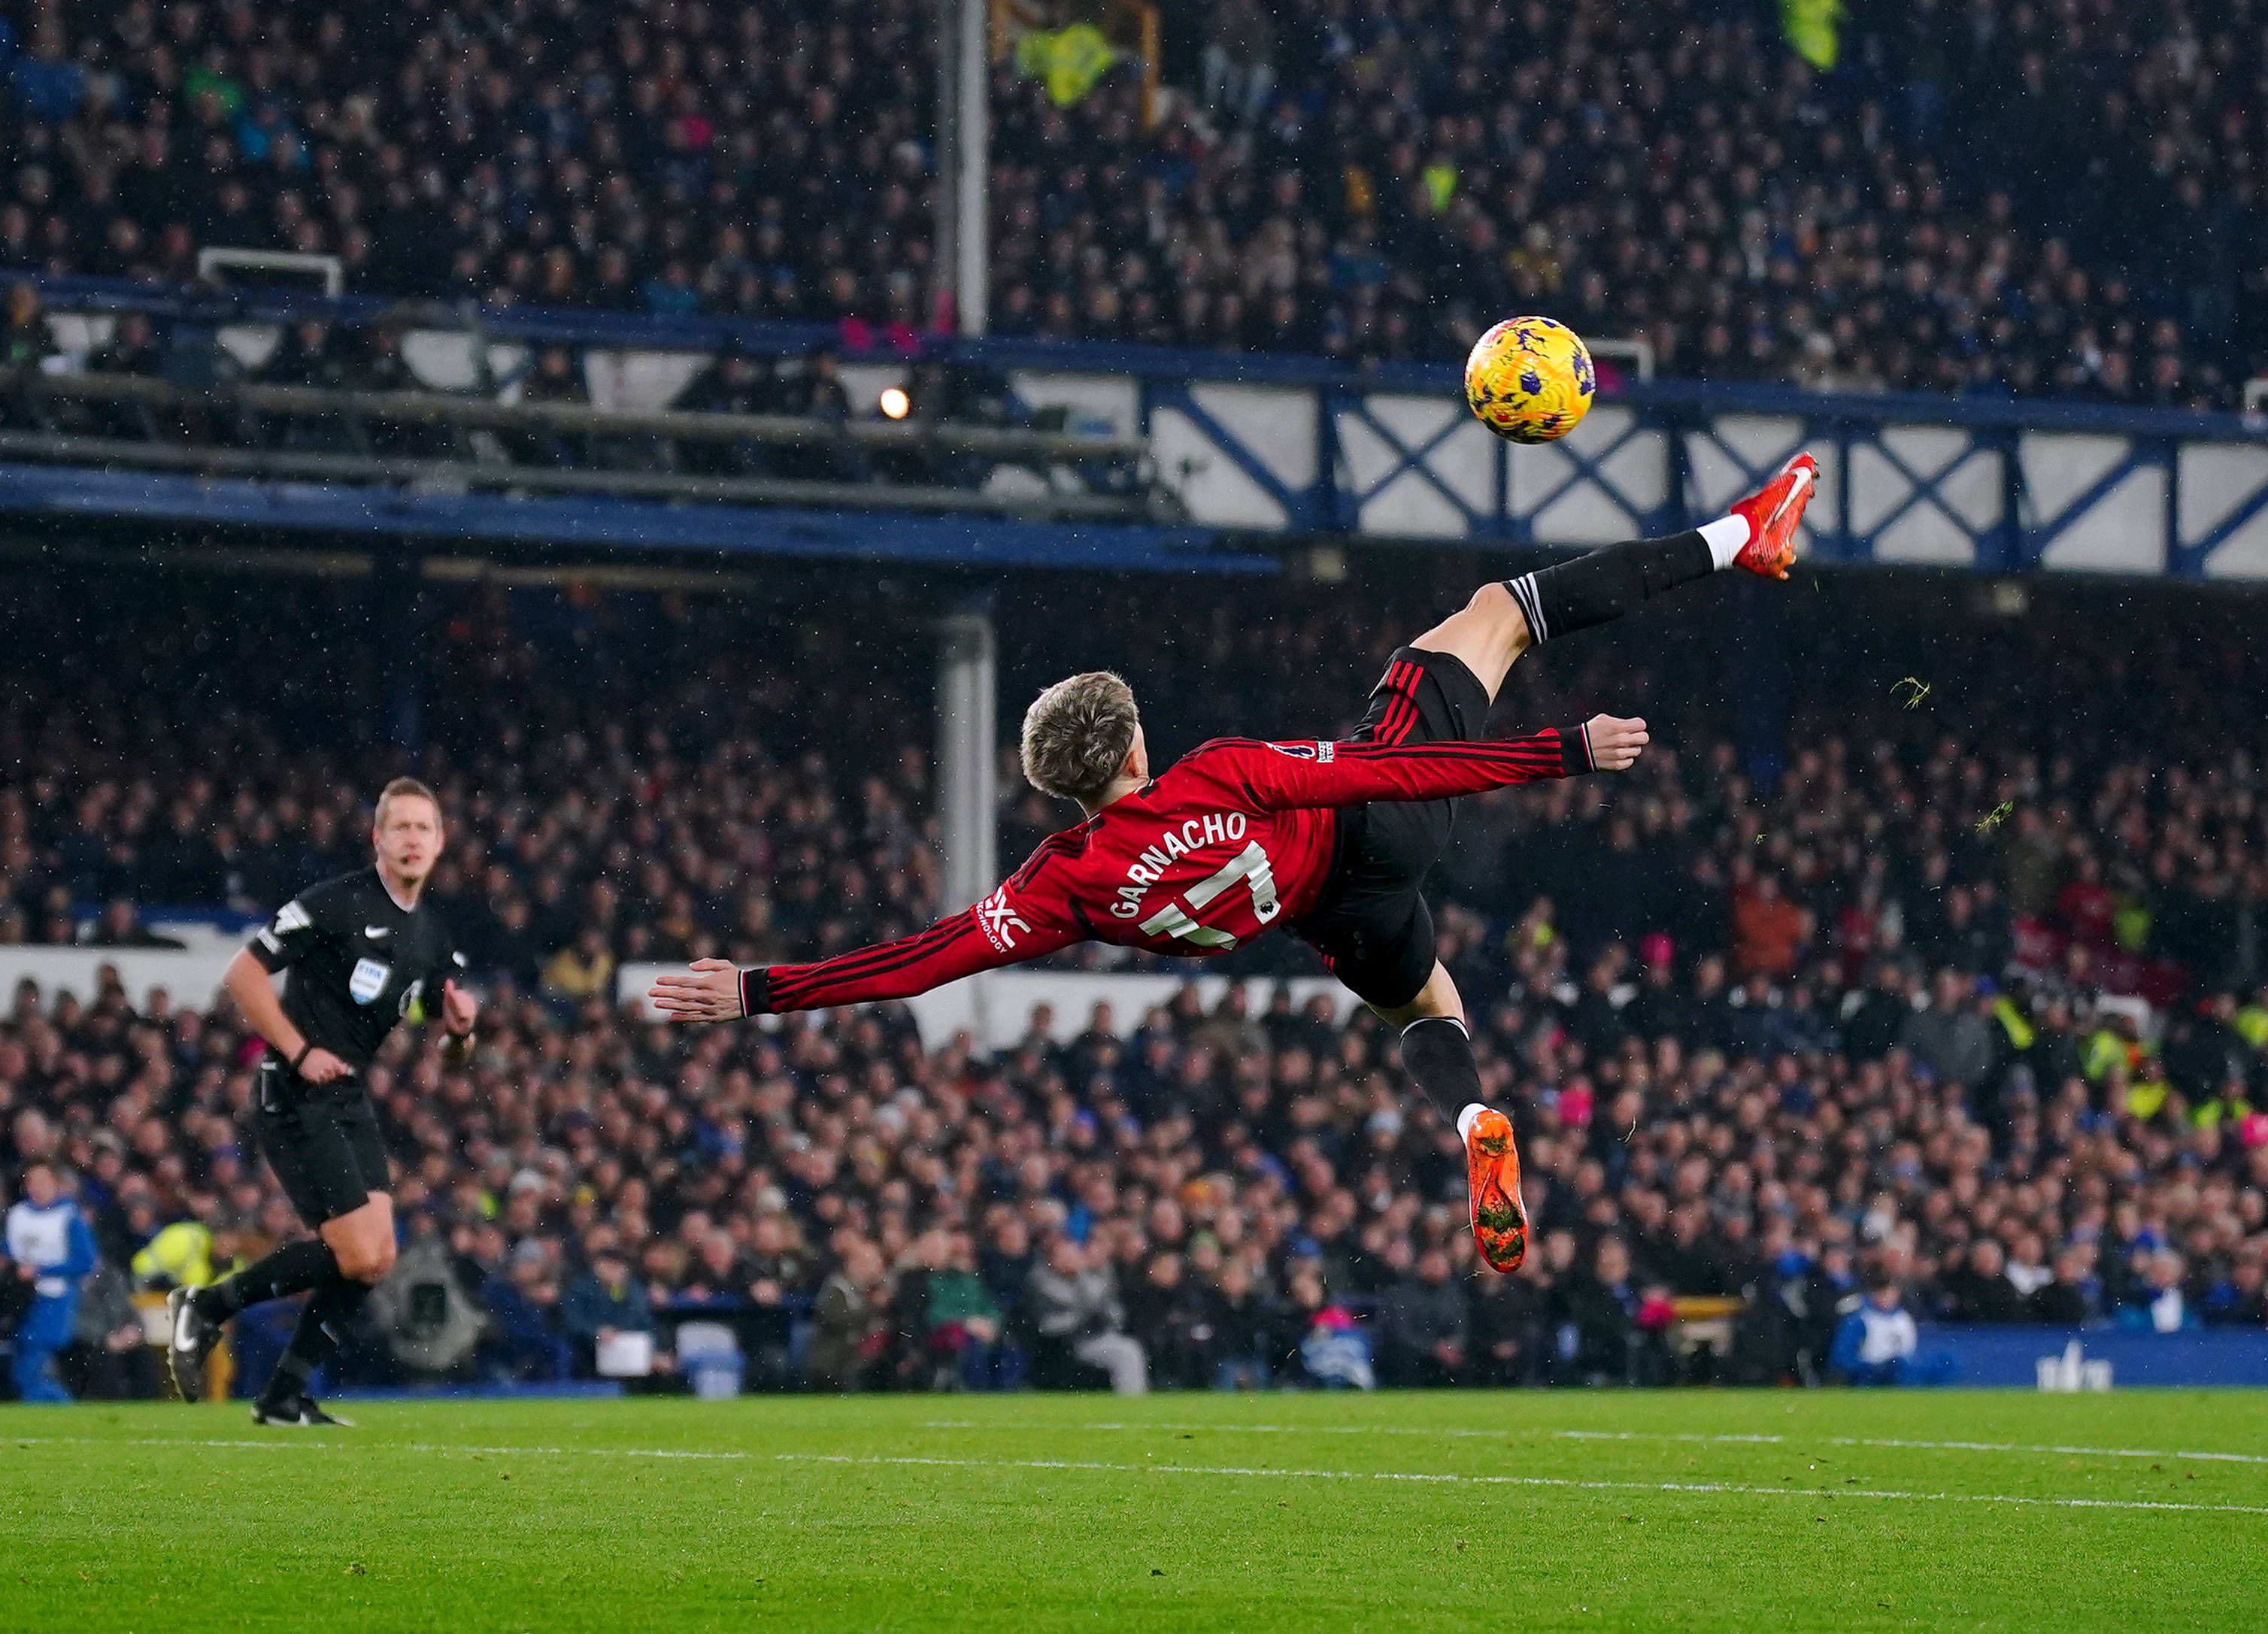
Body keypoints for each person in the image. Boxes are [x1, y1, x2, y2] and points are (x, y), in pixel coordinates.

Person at [654, 454, 1821, 1275]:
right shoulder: (1217, 773)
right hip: (1378, 826)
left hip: (1333, 915)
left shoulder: (1065, 882)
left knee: (1427, 1001)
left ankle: (1472, 1121)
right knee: (1497, 611)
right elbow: (1380, 776)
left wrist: (760, 988)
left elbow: (923, 962)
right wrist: (1557, 751)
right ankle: (1740, 535)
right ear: (1132, 744)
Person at [165, 778, 479, 1426]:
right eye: (402, 828)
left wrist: (461, 1033)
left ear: (442, 842)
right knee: (359, 1253)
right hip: (293, 1088)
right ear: (379, 838)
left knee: (378, 1258)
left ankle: (283, 1394)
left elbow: (446, 1051)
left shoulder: (431, 937)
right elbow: (243, 974)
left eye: (425, 828)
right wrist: (300, 1049)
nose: (414, 839)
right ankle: (206, 1306)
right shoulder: (335, 903)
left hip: (346, 1094)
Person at [5, 1163, 98, 1402]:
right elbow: (9, 1250)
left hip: (54, 1299)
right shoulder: (18, 1215)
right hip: (21, 1297)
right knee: (24, 1366)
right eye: (32, 1182)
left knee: (27, 1369)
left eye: (43, 1182)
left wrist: (42, 1270)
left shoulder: (68, 1217)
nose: (37, 1188)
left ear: (55, 1184)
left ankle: (63, 1406)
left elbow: (85, 1261)